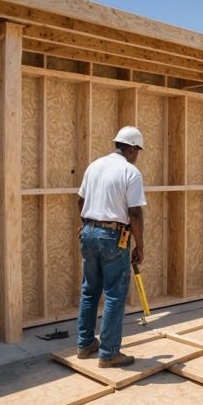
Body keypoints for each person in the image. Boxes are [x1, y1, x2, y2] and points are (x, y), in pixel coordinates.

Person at [76, 126, 146, 368]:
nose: (137, 155)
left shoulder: (94, 166)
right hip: (113, 237)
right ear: (130, 148)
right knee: (115, 295)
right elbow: (135, 212)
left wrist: (87, 225)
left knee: (90, 290)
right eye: (137, 150)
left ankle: (85, 344)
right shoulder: (130, 172)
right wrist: (140, 245)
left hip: (88, 232)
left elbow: (81, 200)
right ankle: (108, 353)